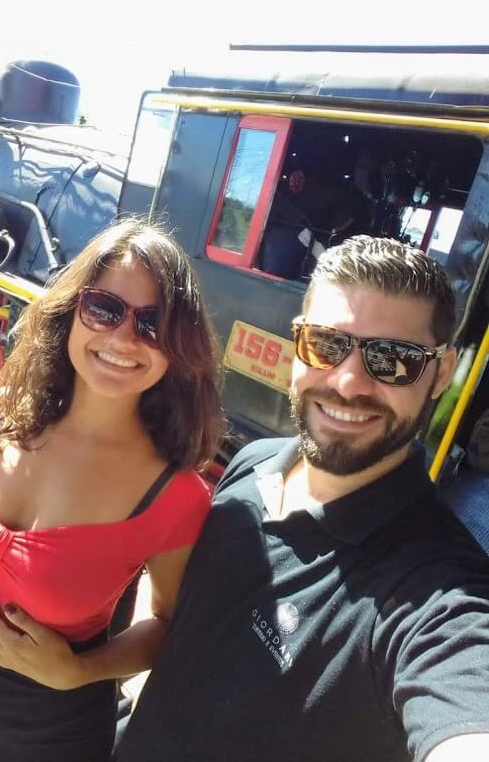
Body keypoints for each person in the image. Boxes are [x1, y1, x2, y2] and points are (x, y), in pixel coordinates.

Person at [116, 235, 489, 762]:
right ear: (298, 342)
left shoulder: (436, 594)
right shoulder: (256, 462)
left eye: (393, 359)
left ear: (442, 372)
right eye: (326, 344)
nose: (349, 382)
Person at [0, 218, 225, 762]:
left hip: (48, 735)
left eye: (153, 325)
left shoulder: (174, 497)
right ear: (71, 310)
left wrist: (81, 670)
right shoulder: (0, 412)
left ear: (179, 347)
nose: (122, 338)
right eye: (104, 308)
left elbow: (171, 624)